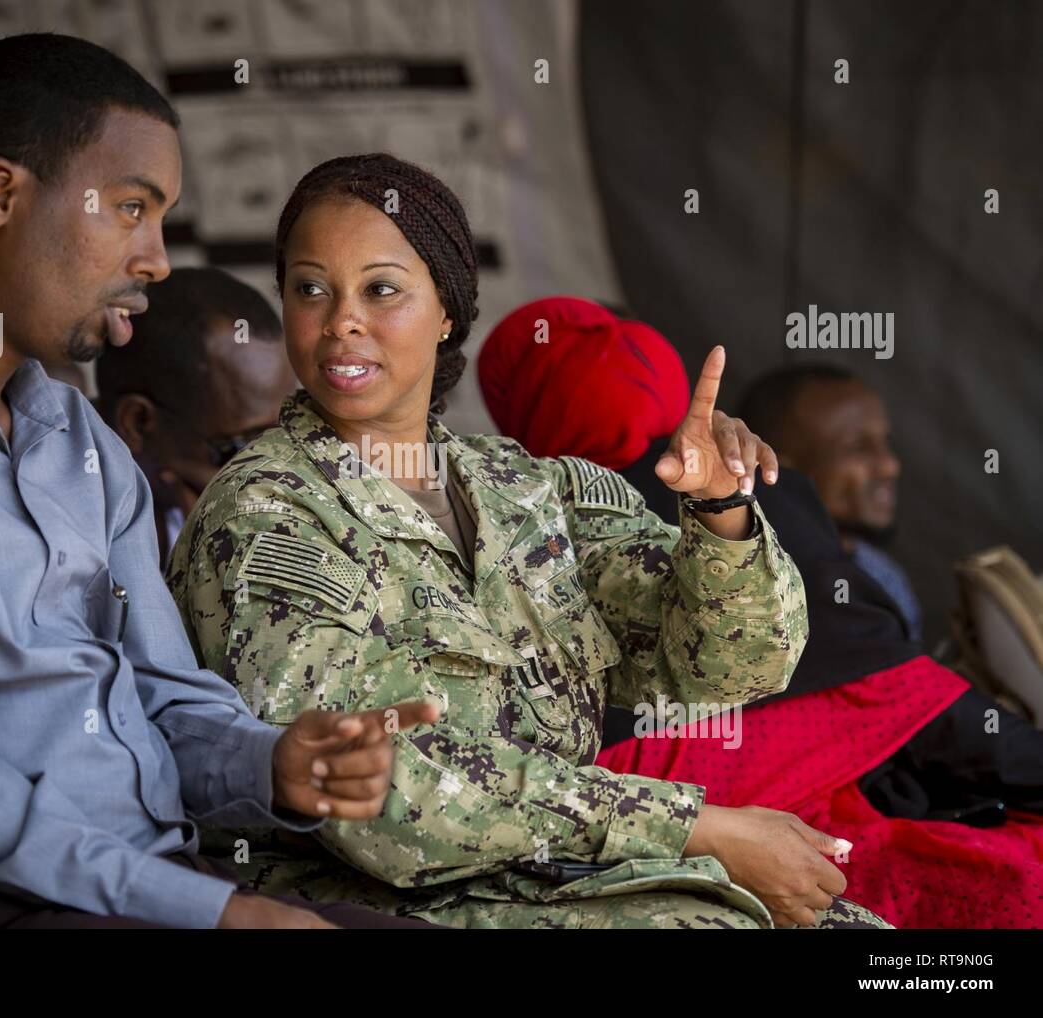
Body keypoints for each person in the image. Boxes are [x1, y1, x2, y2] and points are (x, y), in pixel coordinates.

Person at [0, 34, 440, 931]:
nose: (154, 257)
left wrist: (272, 762)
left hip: (141, 884)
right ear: (2, 193)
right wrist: (210, 912)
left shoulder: (73, 435)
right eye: (129, 208)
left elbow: (160, 694)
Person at [168, 152, 890, 929]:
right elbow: (376, 801)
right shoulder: (264, 510)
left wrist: (721, 510)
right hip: (375, 902)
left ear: (446, 311)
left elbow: (732, 668)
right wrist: (693, 828)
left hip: (560, 879)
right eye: (311, 289)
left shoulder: (526, 488)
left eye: (381, 289)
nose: (342, 319)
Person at [477, 296, 1043, 927]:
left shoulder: (502, 517)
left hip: (619, 802)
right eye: (859, 446)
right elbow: (903, 697)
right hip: (703, 790)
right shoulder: (749, 501)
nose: (889, 464)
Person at [96, 267, 296, 564]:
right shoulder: (81, 528)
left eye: (285, 436)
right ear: (137, 424)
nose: (278, 475)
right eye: (242, 449)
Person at [735, 366, 922, 643]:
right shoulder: (743, 590)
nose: (890, 465)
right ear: (778, 470)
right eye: (858, 447)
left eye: (885, 442)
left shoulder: (881, 573)